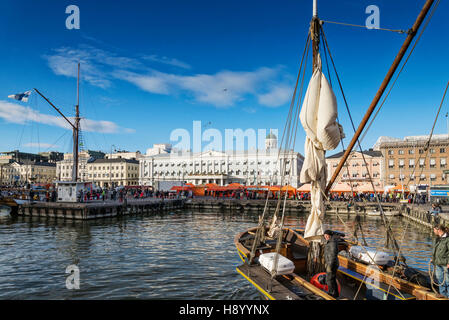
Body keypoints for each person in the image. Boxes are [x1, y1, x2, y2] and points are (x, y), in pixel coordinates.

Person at [431, 224, 449, 298]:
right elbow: (436, 249)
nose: (433, 231)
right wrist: (433, 258)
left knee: (448, 280)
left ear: (438, 230)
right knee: (440, 279)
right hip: (438, 262)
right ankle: (443, 293)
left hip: (445, 263)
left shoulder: (447, 239)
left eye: (434, 230)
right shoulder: (438, 238)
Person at [323, 230, 341, 298]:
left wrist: (329, 266)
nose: (326, 237)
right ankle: (335, 293)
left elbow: (333, 255)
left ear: (330, 236)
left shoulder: (332, 243)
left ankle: (331, 293)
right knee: (332, 279)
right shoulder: (330, 241)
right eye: (325, 236)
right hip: (330, 263)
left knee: (329, 279)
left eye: (327, 235)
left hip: (332, 264)